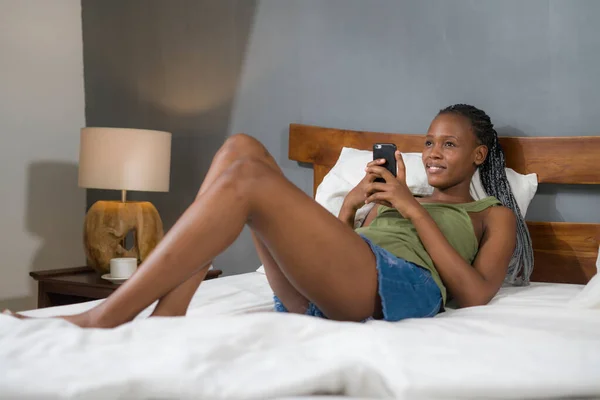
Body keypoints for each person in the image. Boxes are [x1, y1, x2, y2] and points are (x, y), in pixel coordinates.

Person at [5, 104, 533, 327]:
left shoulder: (491, 215)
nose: (434, 152)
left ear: (479, 155)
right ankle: (168, 315)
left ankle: (110, 314)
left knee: (250, 178)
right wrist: (352, 207)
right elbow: (336, 255)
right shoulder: (387, 201)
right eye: (429, 142)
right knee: (240, 147)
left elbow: (475, 293)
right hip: (332, 287)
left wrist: (411, 207)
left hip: (401, 287)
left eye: (449, 144)